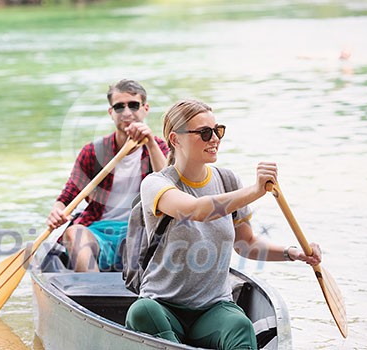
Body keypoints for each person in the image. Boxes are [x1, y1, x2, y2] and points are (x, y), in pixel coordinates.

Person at [125, 99, 322, 349]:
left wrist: (294, 253)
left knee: (240, 325)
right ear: (175, 140)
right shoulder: (156, 184)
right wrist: (255, 191)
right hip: (163, 307)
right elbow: (194, 210)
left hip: (213, 308)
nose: (215, 139)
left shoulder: (227, 180)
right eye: (205, 133)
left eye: (218, 130)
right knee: (142, 311)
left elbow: (247, 244)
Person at [46, 79, 169, 272]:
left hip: (142, 231)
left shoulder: (160, 148)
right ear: (111, 113)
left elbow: (168, 187)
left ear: (145, 109)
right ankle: (93, 292)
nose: (127, 113)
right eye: (119, 107)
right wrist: (57, 211)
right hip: (101, 230)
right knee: (74, 233)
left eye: (133, 105)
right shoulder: (93, 152)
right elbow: (68, 196)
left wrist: (150, 143)